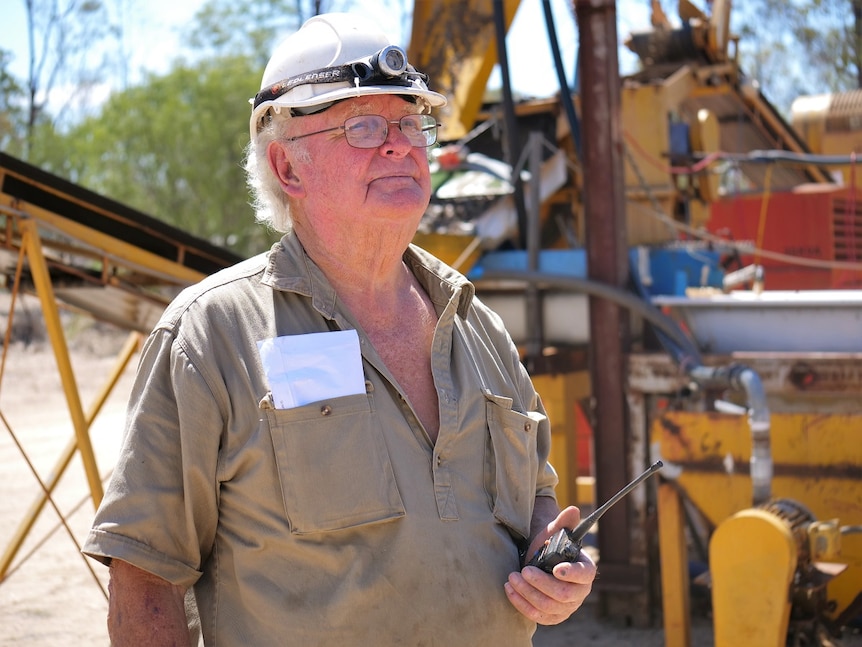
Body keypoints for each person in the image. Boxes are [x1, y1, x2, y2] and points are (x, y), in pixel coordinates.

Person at [83, 12, 596, 646]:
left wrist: (557, 563)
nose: (399, 143)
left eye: (411, 123)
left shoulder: (477, 327)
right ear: (288, 169)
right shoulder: (211, 335)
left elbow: (538, 503)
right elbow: (145, 579)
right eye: (362, 125)